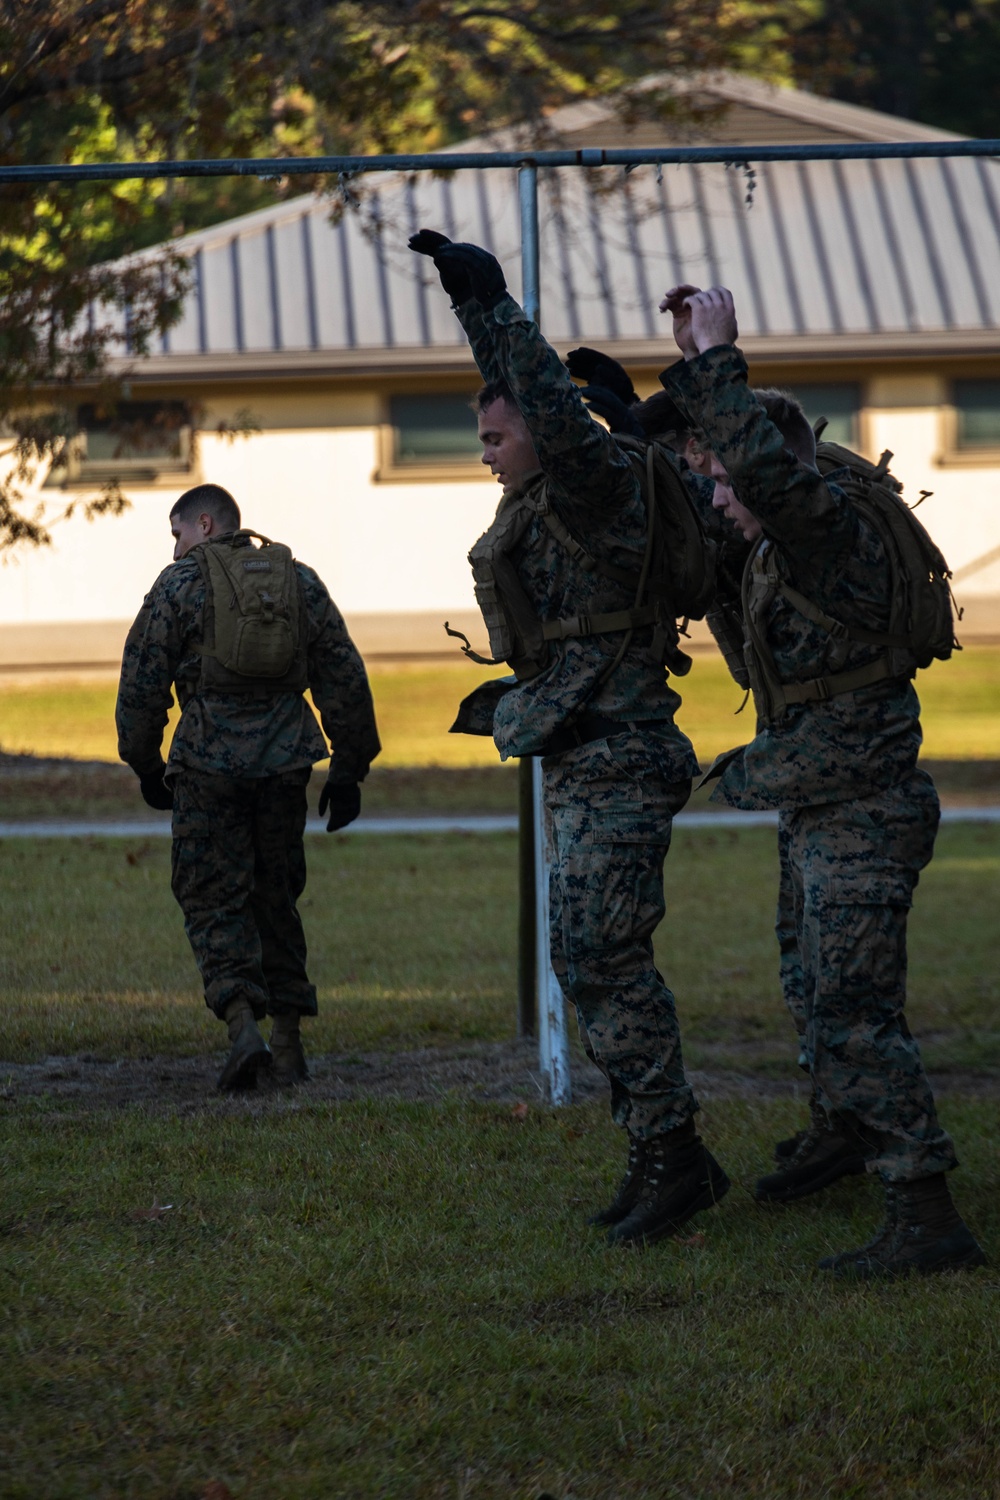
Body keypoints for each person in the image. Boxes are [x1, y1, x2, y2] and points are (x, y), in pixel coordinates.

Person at [408, 229, 730, 1247]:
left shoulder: (595, 489)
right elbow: (526, 401)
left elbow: (545, 399)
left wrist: (488, 305)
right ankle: (657, 1150)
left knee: (602, 954)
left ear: (550, 438)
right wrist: (480, 327)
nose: (487, 450)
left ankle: (675, 1157)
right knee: (586, 961)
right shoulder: (561, 497)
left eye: (497, 439)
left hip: (622, 751)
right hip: (582, 747)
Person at [658, 284, 985, 1277]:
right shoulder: (782, 542)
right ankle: (844, 1134)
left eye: (728, 481)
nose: (718, 499)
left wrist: (718, 353)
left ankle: (923, 1211)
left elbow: (757, 463)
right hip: (820, 800)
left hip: (860, 808)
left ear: (777, 476)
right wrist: (672, 379)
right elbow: (708, 507)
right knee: (812, 985)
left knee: (852, 1009)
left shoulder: (827, 529)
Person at [566, 348, 869, 1200]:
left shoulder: (785, 513)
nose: (709, 488)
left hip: (837, 756)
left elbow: (712, 507)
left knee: (831, 962)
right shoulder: (746, 515)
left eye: (702, 464)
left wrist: (635, 430)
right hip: (801, 749)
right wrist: (638, 425)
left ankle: (864, 1134)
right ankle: (838, 1123)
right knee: (801, 950)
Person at [116, 483, 380, 1091]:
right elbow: (343, 673)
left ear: (204, 524)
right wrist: (349, 766)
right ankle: (287, 1044)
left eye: (177, 531)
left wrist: (146, 765)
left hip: (208, 765)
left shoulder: (178, 585)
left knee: (212, 895)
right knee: (275, 892)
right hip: (286, 762)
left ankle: (242, 1029)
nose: (176, 545)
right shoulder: (297, 579)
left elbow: (141, 683)